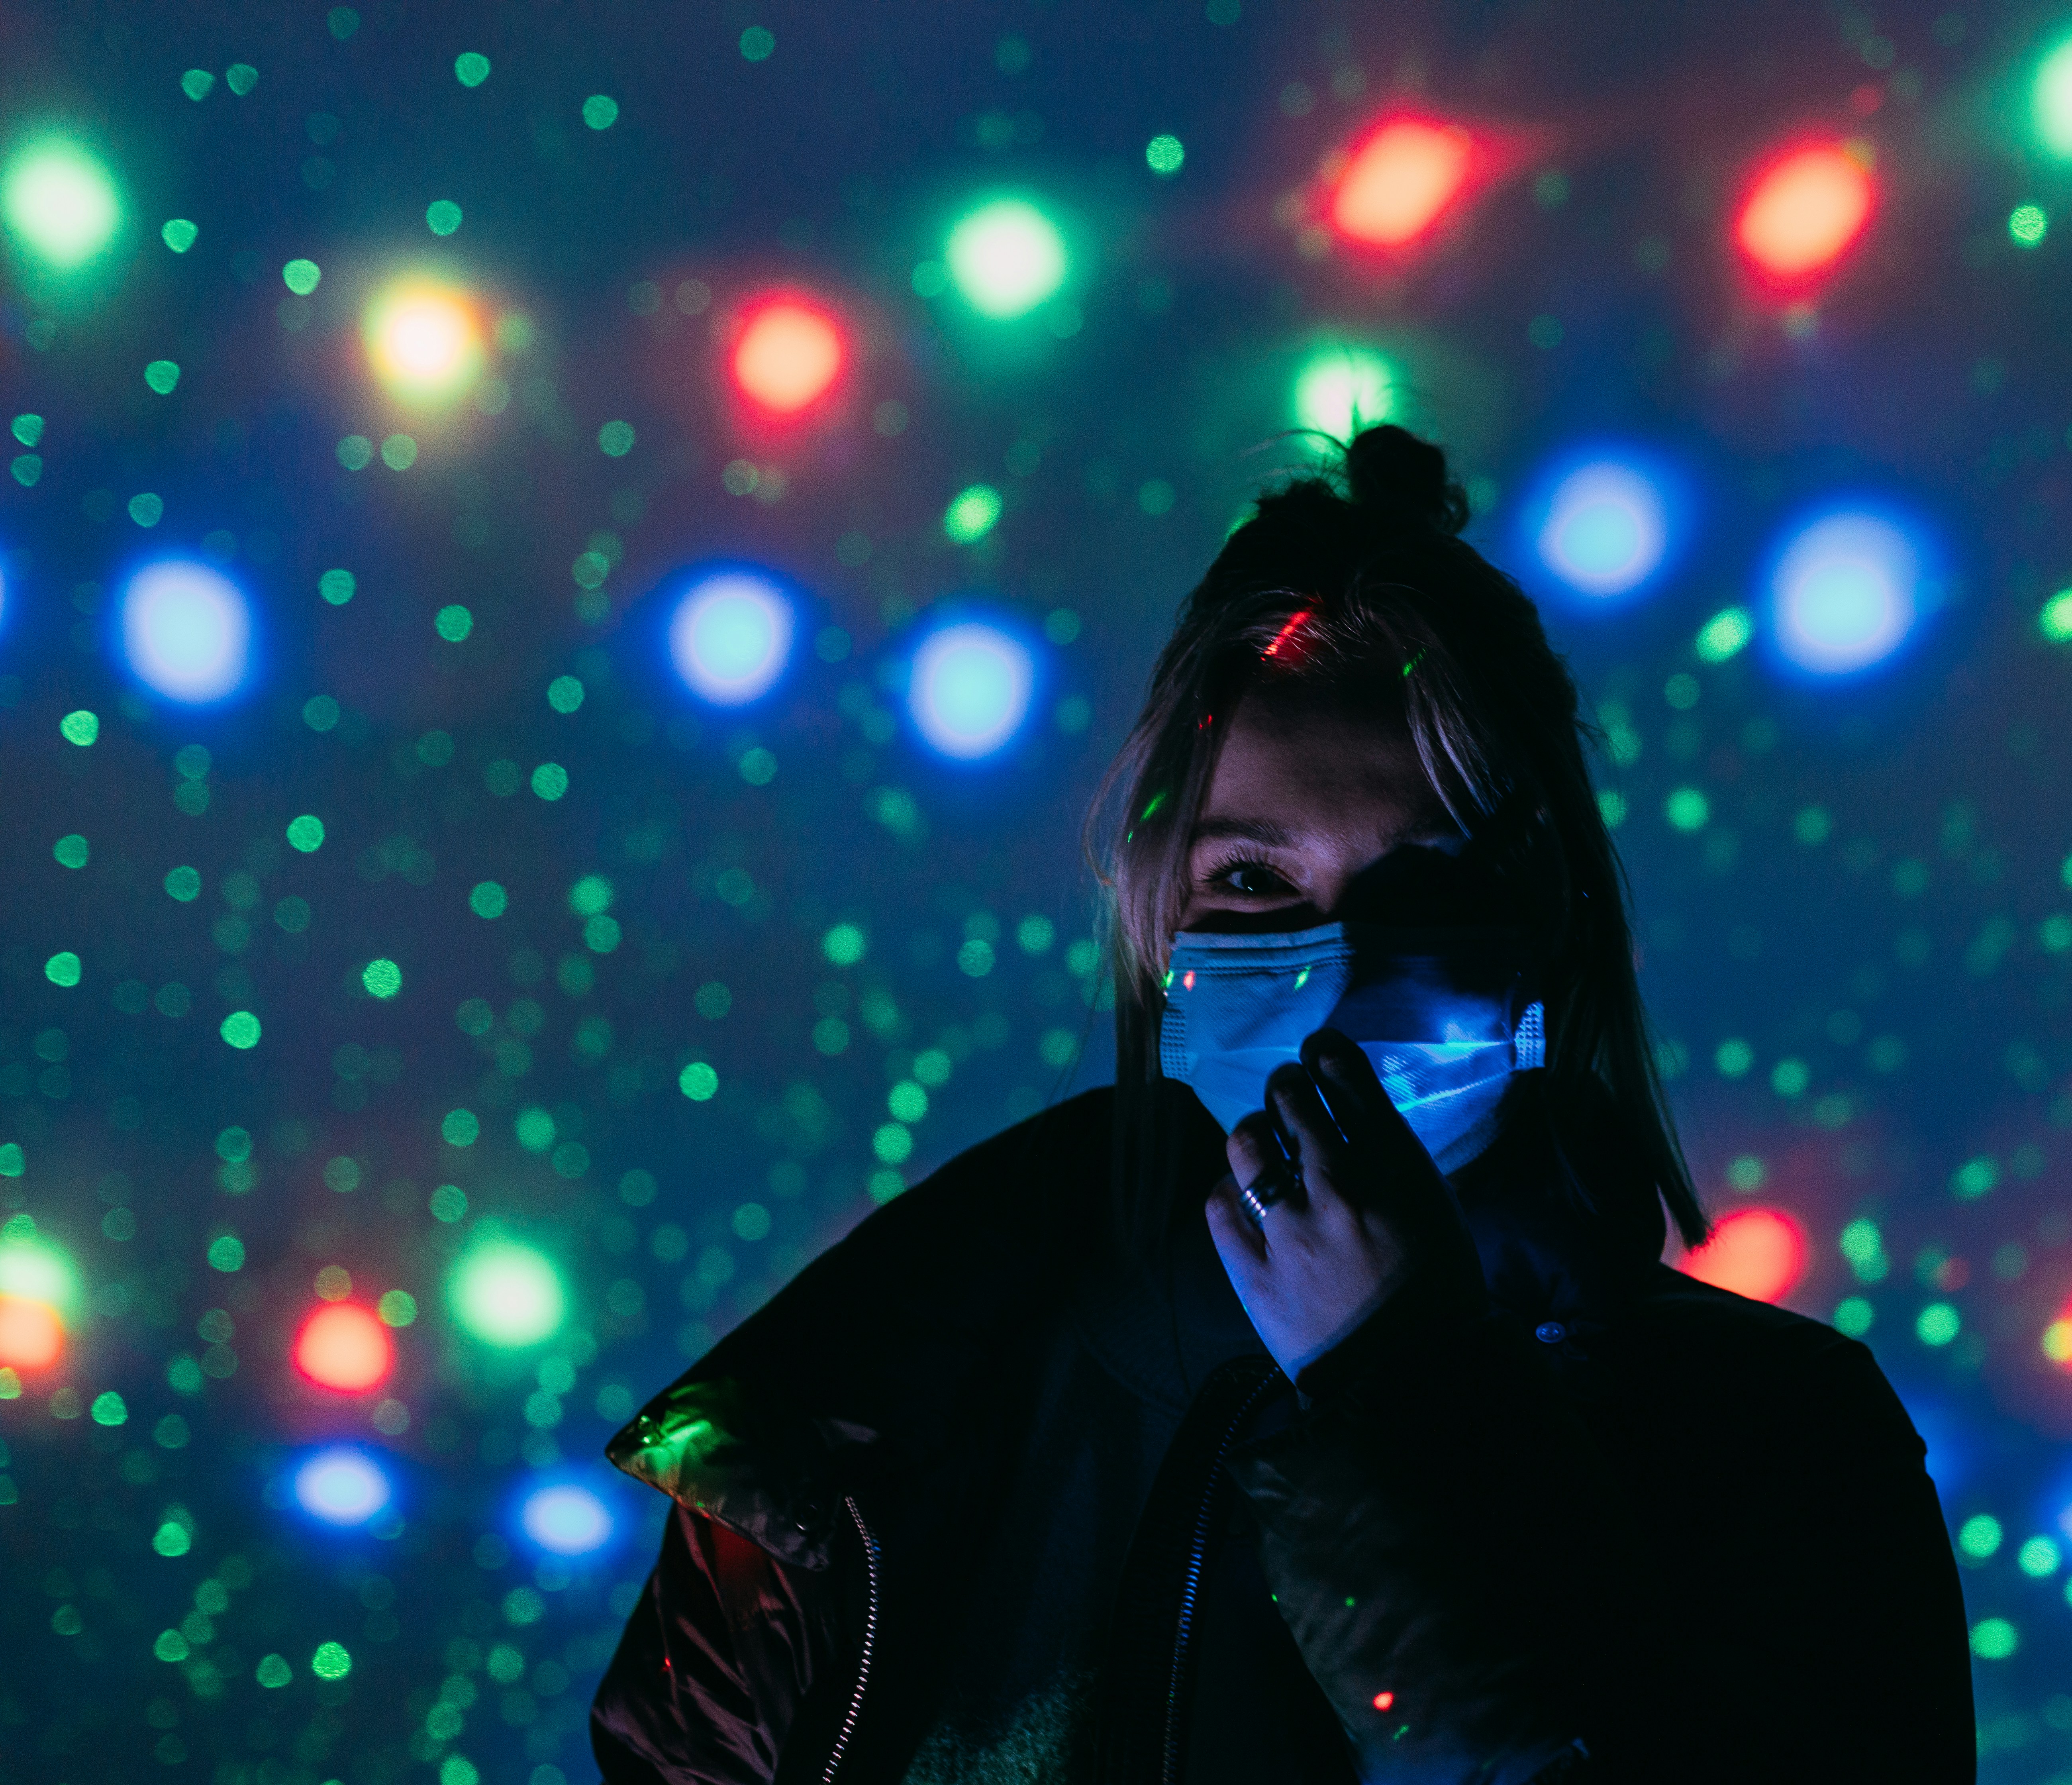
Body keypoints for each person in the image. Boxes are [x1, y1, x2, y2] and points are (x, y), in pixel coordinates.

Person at [587, 426, 1976, 1784]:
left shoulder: (1779, 1445)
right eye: (1255, 882)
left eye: (1427, 887)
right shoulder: (863, 1428)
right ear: (1155, 923)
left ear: (1550, 927)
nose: (1340, 976)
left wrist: (1415, 1406)